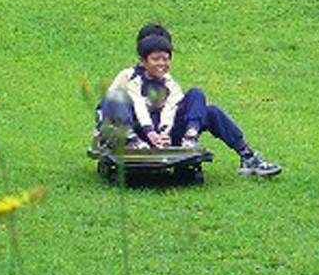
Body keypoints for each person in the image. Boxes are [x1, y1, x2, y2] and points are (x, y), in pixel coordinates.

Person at [94, 24, 281, 177]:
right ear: (143, 57)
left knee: (207, 107)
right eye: (155, 56)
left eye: (165, 56)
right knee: (115, 96)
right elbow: (111, 107)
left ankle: (246, 156)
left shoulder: (169, 82)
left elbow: (172, 108)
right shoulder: (129, 77)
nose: (161, 63)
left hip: (164, 136)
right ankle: (130, 140)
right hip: (137, 133)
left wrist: (164, 133)